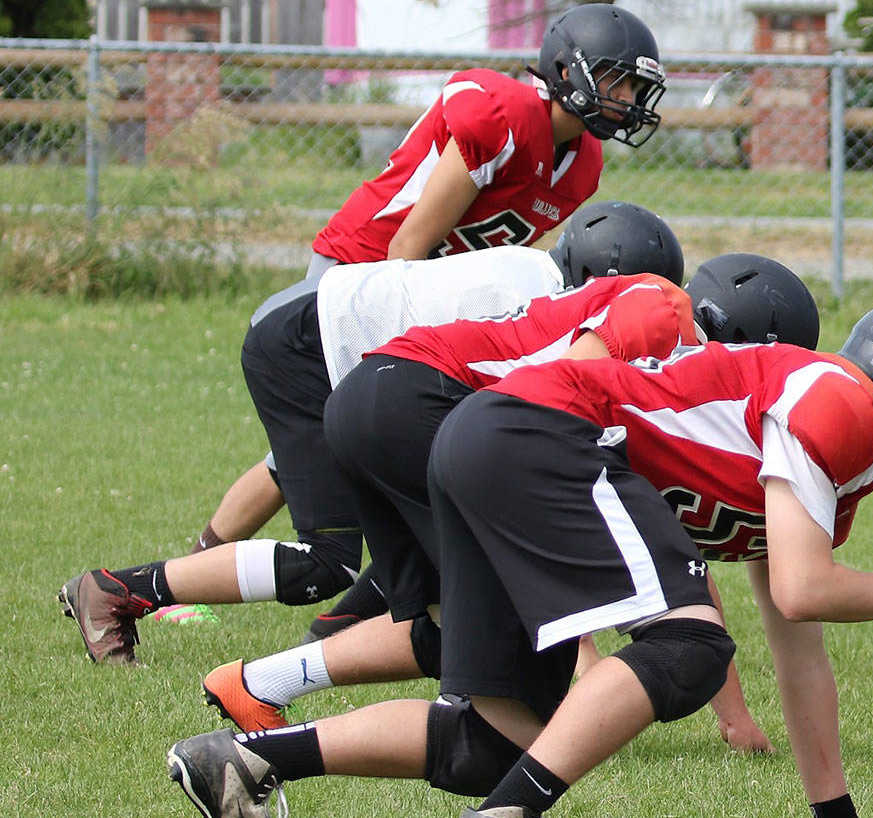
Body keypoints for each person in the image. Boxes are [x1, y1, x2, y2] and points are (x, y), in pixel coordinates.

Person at [167, 299, 873, 818]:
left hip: (490, 438)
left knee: (497, 739)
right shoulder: (849, 408)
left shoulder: (827, 451)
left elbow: (794, 632)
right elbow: (802, 588)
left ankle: (243, 761)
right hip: (539, 436)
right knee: (688, 649)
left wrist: (836, 816)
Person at [198, 244, 820, 761]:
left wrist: (732, 714)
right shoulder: (658, 318)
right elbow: (544, 407)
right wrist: (562, 613)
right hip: (429, 406)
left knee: (447, 630)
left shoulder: (659, 353)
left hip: (389, 396)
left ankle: (257, 685)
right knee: (500, 717)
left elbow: (675, 561)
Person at [184, 1, 667, 606]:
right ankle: (192, 583)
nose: (629, 99)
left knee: (320, 448)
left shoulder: (581, 165)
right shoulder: (503, 115)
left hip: (424, 292)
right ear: (569, 73)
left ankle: (197, 577)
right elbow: (407, 245)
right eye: (619, 80)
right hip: (368, 270)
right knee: (335, 441)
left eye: (635, 86)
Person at [57, 202, 680, 665]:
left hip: (348, 358)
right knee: (323, 560)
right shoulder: (540, 309)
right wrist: (584, 650)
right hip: (308, 346)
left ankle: (327, 643)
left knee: (431, 527)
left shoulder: (535, 282)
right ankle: (116, 591)